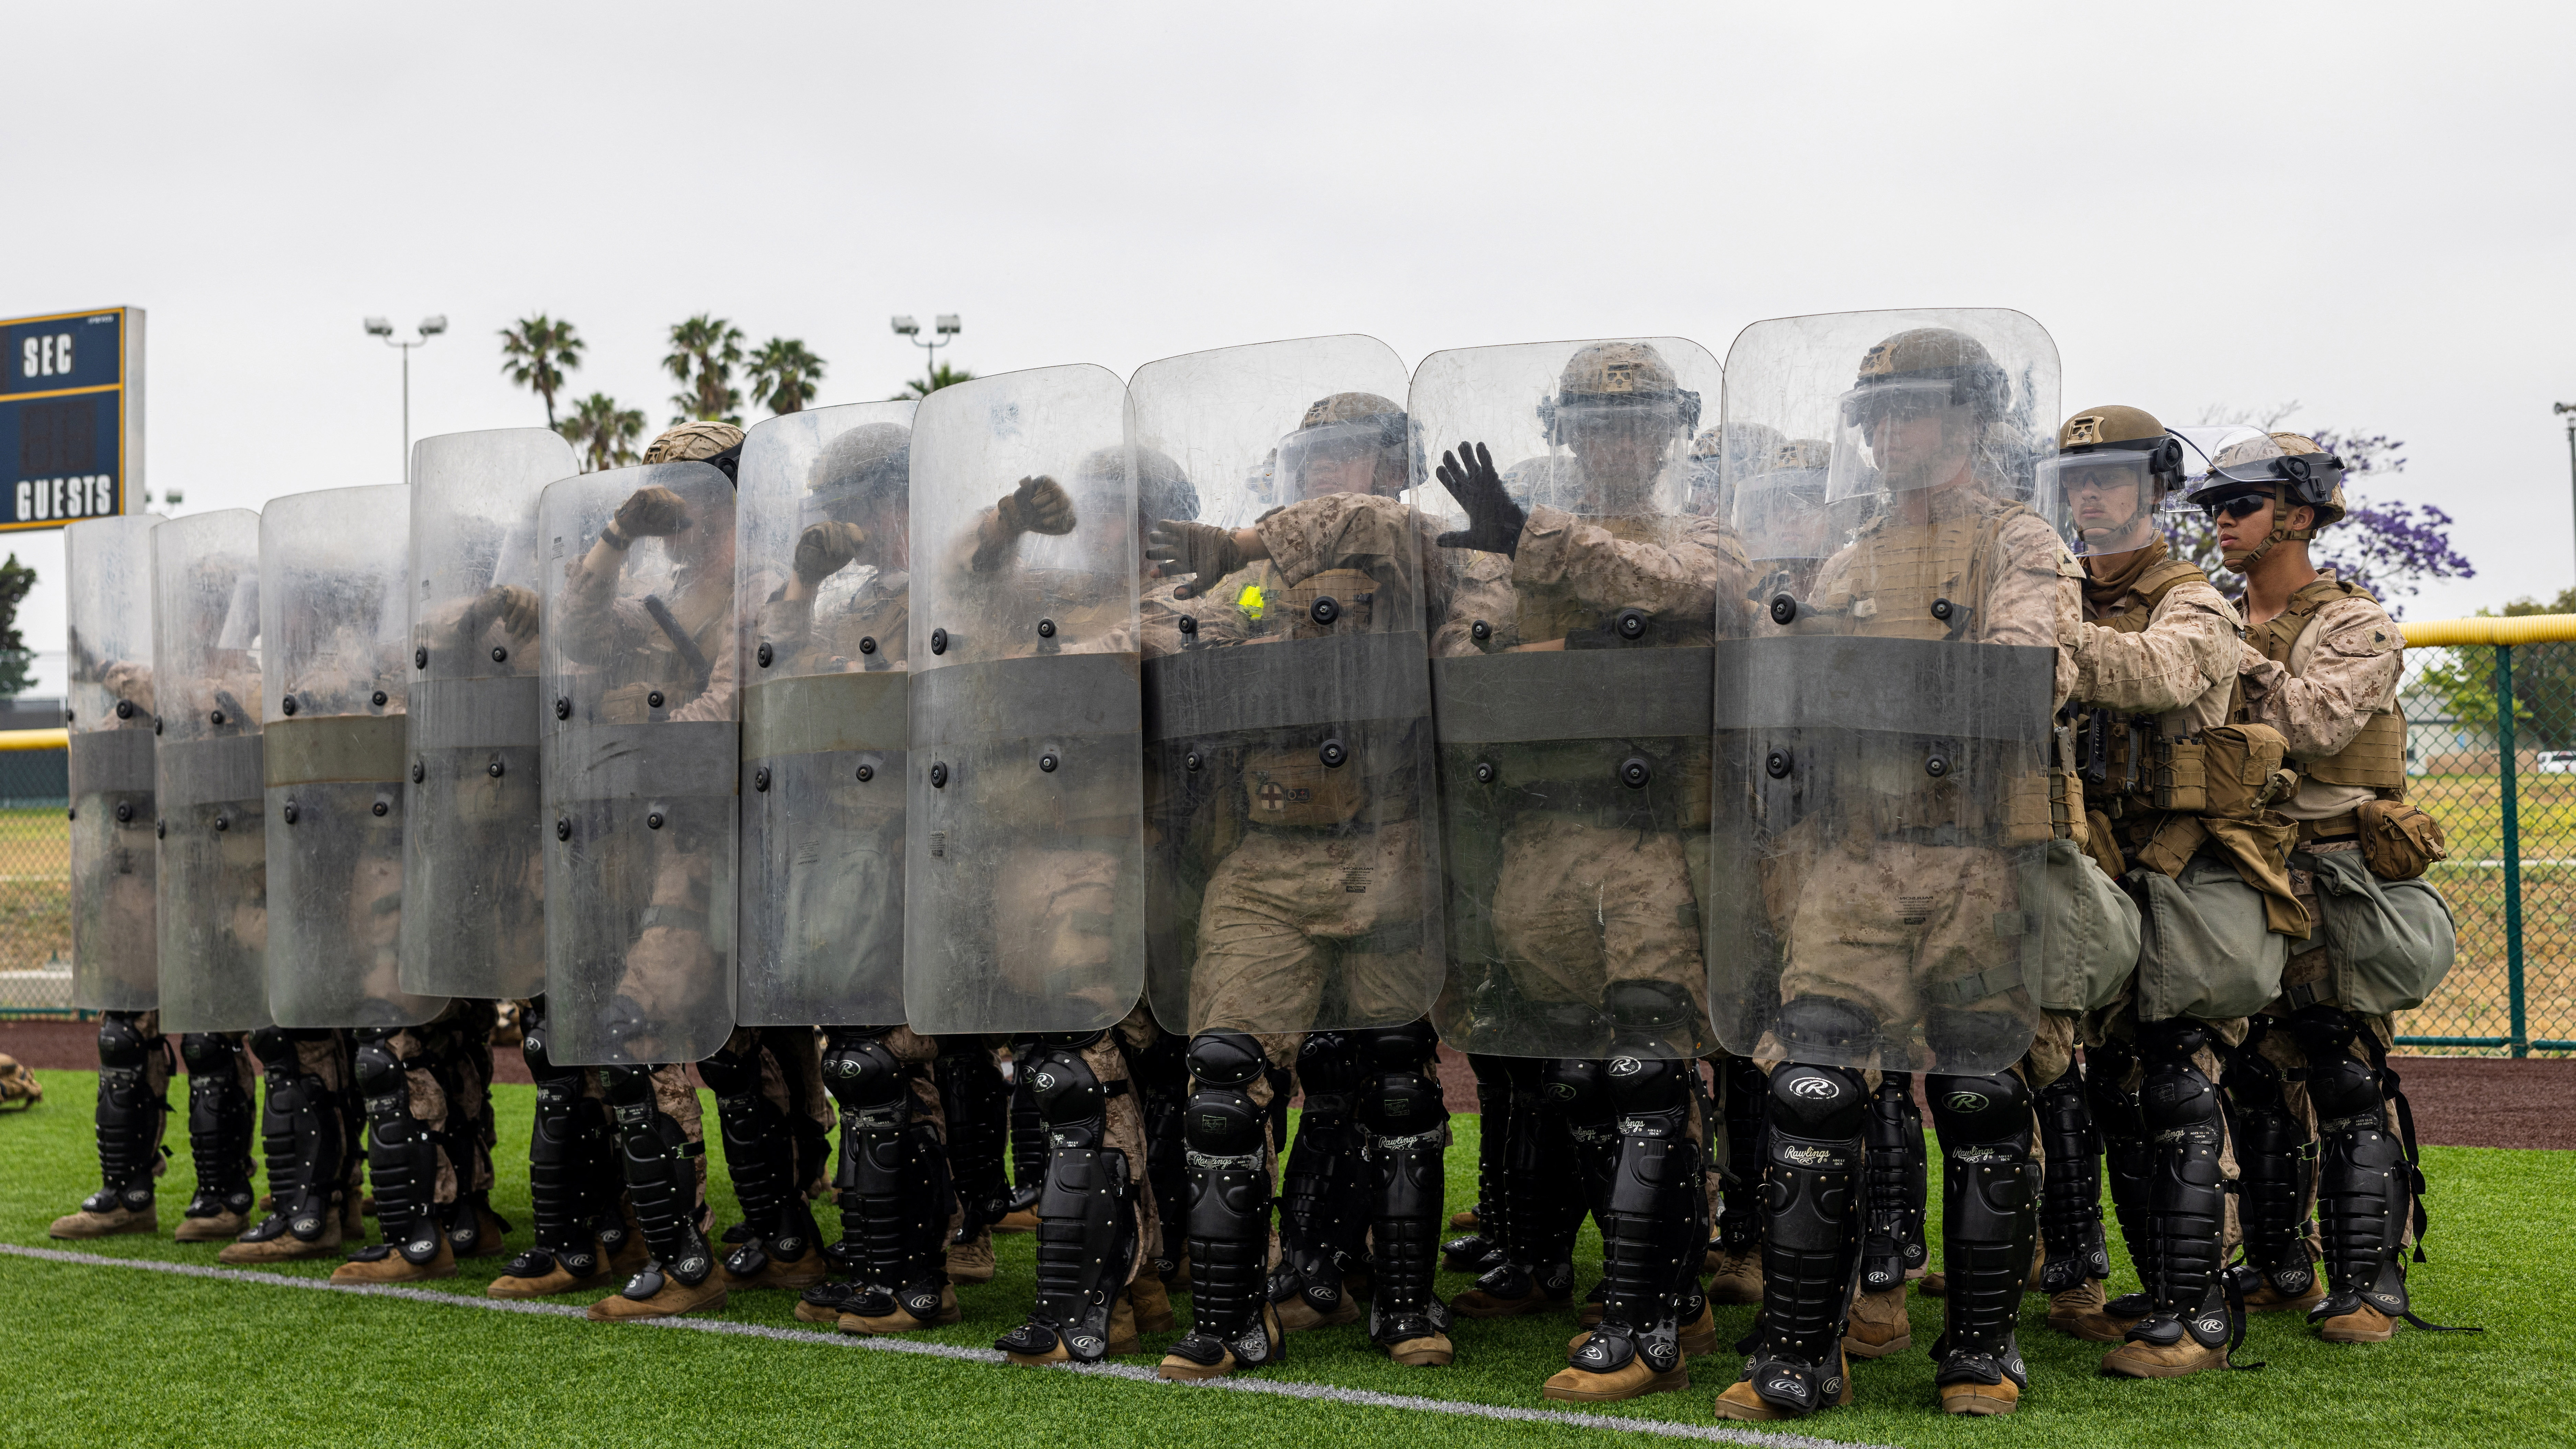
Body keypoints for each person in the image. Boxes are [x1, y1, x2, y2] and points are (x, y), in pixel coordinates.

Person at [1710, 317, 2077, 1420]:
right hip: (1853, 859)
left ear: (1969, 417)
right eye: (1875, 415)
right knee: (1815, 1089)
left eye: (1911, 409)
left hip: (1975, 859)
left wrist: (1850, 668)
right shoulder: (1851, 553)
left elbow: (2028, 678)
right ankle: (1801, 1351)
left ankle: (1981, 1351)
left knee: (1977, 1096)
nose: (1887, 433)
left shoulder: (2020, 541)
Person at [1425, 340, 1740, 1403]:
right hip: (1538, 839)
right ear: (1568, 433)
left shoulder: (1702, 530)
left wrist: (1539, 547)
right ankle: (1648, 1282)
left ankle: (1656, 1315)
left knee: (1649, 1070)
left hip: (1653, 837)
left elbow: (1687, 586)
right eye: (1599, 422)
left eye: (1641, 419)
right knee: (1577, 1079)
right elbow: (1465, 661)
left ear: (1671, 432)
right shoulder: (1494, 548)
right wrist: (1583, 648)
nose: (1619, 438)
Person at [1133, 370, 1455, 1380]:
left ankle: (1403, 1302)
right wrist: (1209, 606)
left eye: (1344, 454)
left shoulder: (1418, 548)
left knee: (1396, 1082)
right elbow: (1188, 625)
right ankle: (1233, 1317)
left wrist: (1245, 543)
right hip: (1270, 860)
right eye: (1307, 457)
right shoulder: (1258, 570)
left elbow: (1373, 530)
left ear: (1392, 466)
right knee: (1225, 1080)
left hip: (1389, 852)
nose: (1320, 474)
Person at [2197, 431, 2466, 1345]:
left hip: (2337, 866)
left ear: (2299, 514)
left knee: (2343, 1069)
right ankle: (2277, 1264)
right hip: (2241, 863)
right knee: (2252, 1072)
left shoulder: (2355, 623)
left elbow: (2309, 721)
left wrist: (2220, 654)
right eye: (2211, 508)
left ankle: (2368, 1282)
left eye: (2239, 505)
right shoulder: (2212, 614)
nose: (2220, 522)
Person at [2037, 406, 2291, 1374]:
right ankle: (2157, 1289)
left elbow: (2161, 672)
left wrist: (2051, 625)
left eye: (2110, 474)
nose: (2089, 493)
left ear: (2154, 484)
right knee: (2106, 1087)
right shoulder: (2065, 592)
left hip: (2182, 868)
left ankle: (2201, 1319)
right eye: (2075, 476)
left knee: (2178, 1083)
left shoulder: (2192, 597)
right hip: (2092, 863)